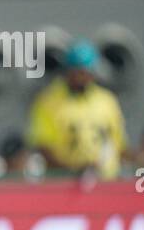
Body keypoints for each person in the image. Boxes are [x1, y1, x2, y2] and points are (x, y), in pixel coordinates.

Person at [25, 39, 128, 179]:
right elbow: (43, 147)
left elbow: (118, 144)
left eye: (86, 72)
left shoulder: (107, 101)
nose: (81, 78)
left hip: (105, 182)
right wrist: (73, 171)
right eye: (77, 72)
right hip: (66, 184)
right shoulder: (49, 102)